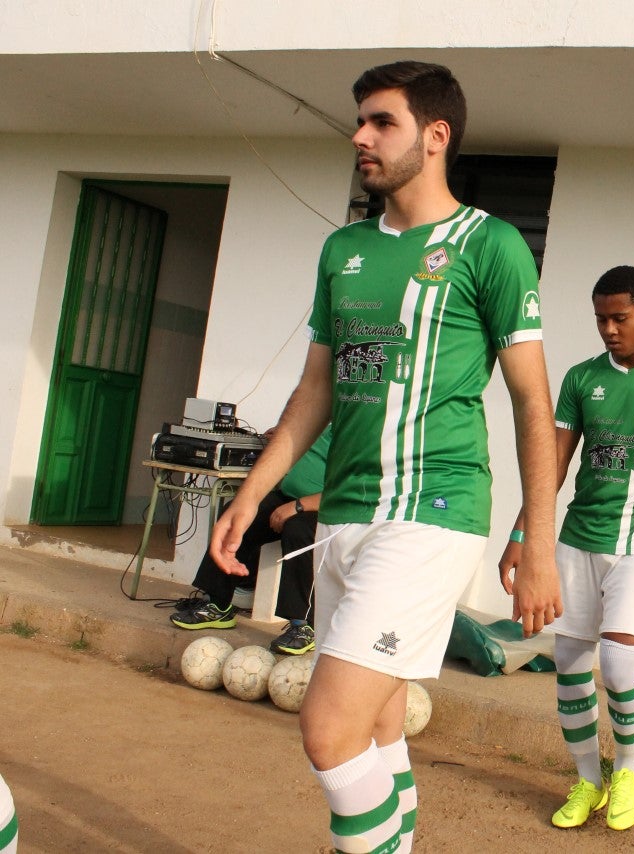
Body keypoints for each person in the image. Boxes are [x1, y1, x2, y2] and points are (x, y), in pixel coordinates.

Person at [209, 61, 561, 854]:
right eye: (360, 121)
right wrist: (249, 493)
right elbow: (313, 392)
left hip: (432, 511)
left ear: (435, 137)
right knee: (376, 718)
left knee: (327, 727)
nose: (360, 137)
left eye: (381, 122)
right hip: (345, 514)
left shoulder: (492, 246)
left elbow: (532, 403)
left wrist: (536, 540)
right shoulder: (344, 250)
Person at [501, 265, 634, 831]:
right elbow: (555, 463)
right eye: (600, 319)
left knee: (620, 665)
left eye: (620, 317)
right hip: (575, 539)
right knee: (569, 665)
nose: (609, 329)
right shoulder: (580, 378)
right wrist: (523, 535)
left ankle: (629, 770)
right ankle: (588, 780)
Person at [171, 426, 331, 655]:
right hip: (289, 498)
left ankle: (303, 626)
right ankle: (217, 604)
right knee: (237, 518)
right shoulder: (326, 417)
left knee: (298, 531)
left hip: (323, 509)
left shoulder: (360, 431)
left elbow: (352, 490)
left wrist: (298, 506)